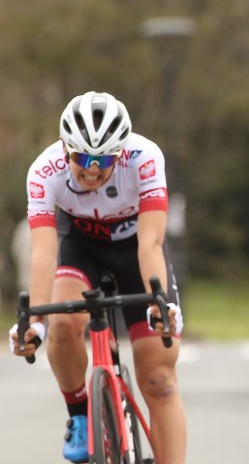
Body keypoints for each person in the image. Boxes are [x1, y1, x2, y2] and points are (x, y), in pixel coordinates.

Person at [8, 92, 186, 464]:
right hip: (79, 245)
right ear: (64, 149)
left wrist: (162, 306)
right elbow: (44, 253)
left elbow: (151, 242)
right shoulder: (44, 171)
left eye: (103, 160)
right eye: (81, 158)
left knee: (159, 380)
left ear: (119, 153)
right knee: (63, 324)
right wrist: (35, 322)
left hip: (135, 248)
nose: (91, 170)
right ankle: (79, 414)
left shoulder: (145, 157)